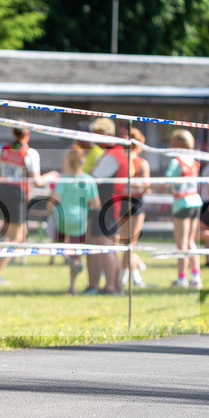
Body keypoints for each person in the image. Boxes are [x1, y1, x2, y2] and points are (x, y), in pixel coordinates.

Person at [0, 127, 42, 284]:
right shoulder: (30, 153)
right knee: (16, 237)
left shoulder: (4, 147)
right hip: (17, 194)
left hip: (4, 192)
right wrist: (53, 176)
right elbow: (37, 180)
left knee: (11, 233)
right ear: (27, 134)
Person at [47, 146, 100, 295]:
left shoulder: (64, 180)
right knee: (77, 251)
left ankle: (66, 256)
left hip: (63, 218)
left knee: (58, 244)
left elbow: (54, 199)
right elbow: (96, 204)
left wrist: (49, 209)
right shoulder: (89, 181)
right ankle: (72, 285)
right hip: (80, 221)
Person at [83, 118, 126, 294]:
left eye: (98, 136)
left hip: (107, 204)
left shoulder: (113, 155)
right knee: (95, 243)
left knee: (105, 244)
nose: (95, 140)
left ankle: (112, 286)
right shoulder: (110, 153)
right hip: (101, 204)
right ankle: (95, 284)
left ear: (108, 135)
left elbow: (95, 178)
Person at [165, 129, 202, 289]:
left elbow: (166, 182)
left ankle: (181, 279)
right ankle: (195, 276)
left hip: (181, 203)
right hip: (195, 202)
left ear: (179, 143)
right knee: (191, 241)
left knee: (181, 243)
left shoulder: (177, 162)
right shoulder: (194, 161)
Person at [118, 129, 149, 288]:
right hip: (123, 203)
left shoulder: (142, 163)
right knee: (126, 243)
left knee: (131, 242)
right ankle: (129, 275)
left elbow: (147, 186)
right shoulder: (122, 162)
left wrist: (133, 184)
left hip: (136, 204)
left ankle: (129, 275)